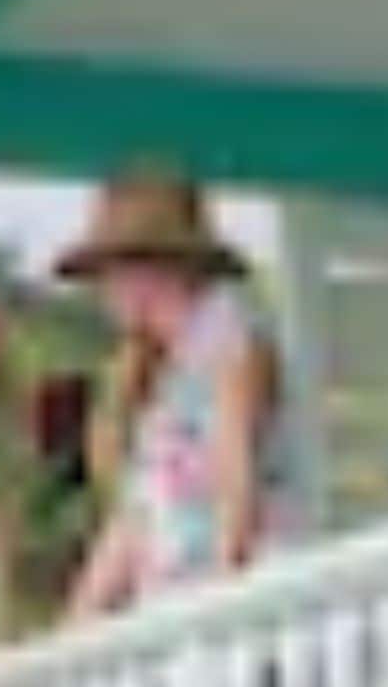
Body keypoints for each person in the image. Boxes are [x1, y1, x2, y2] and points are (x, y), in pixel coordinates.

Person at [57, 165, 300, 621]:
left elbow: (236, 483)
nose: (104, 293)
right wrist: (72, 628)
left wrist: (225, 598)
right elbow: (135, 518)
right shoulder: (164, 375)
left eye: (109, 275)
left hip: (240, 617)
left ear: (150, 270)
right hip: (177, 615)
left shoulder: (231, 339)